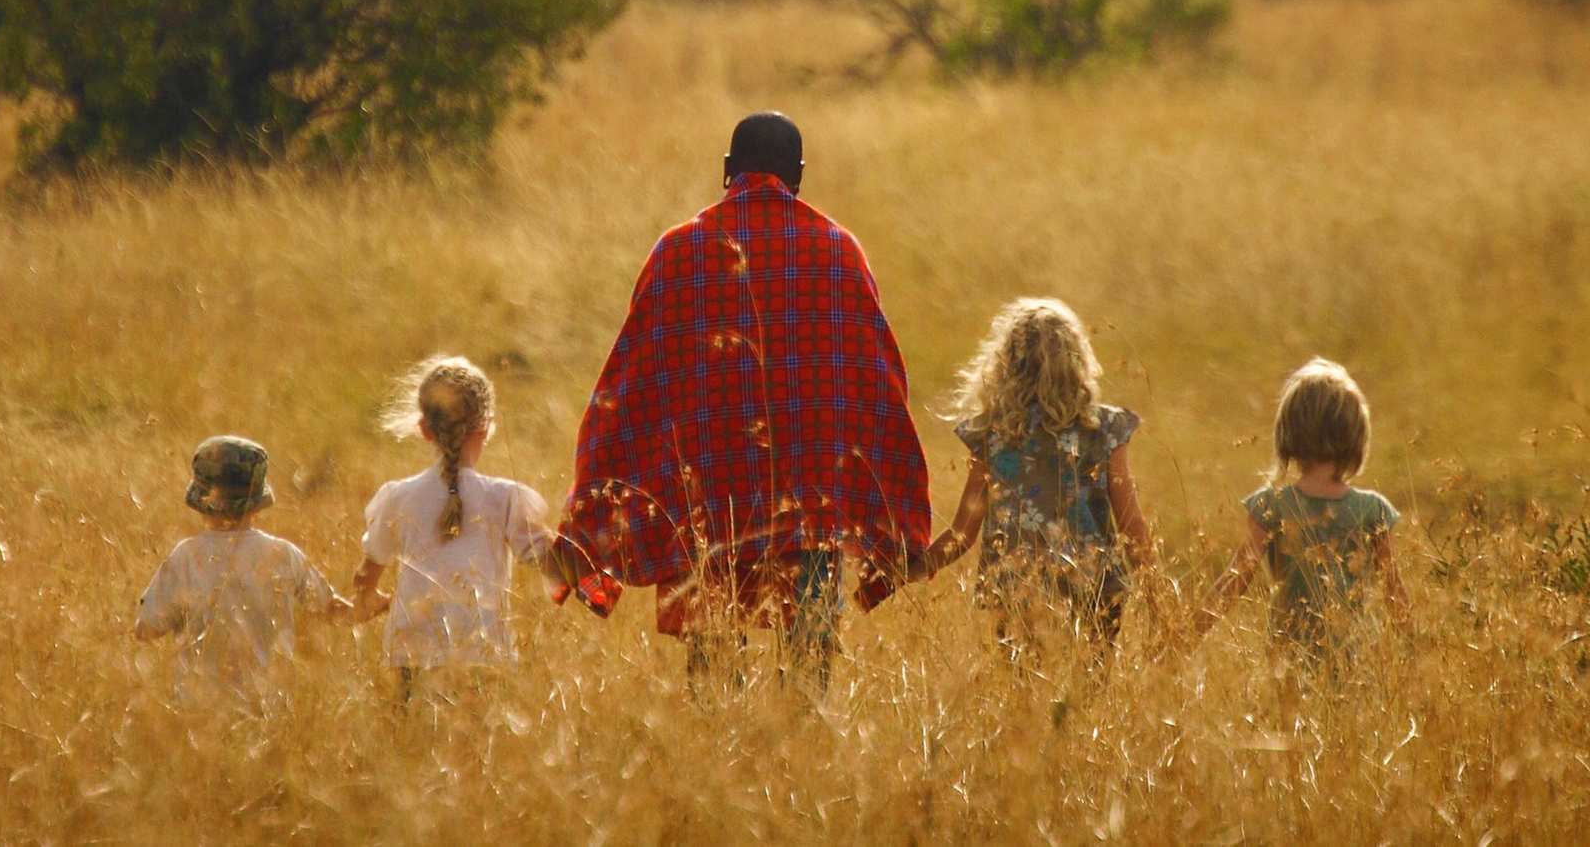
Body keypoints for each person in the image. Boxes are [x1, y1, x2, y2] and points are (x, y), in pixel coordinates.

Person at [548, 111, 932, 694]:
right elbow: (878, 381)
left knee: (712, 669)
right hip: (809, 504)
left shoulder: (678, 251)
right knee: (810, 660)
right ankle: (803, 762)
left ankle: (716, 771)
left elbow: (629, 383)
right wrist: (892, 507)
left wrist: (595, 502)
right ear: (798, 175)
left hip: (707, 503)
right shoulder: (837, 250)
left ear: (728, 171)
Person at [918, 297, 1159, 675]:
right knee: (1088, 696)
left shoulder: (993, 433)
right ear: (1077, 360)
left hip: (1014, 586)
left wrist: (904, 571)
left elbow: (963, 533)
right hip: (1094, 586)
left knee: (1022, 697)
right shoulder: (1107, 429)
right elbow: (1132, 525)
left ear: (1005, 364)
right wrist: (1162, 606)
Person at [1189, 358, 1411, 681]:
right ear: (1356, 435)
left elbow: (1235, 579)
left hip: (1288, 661)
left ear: (1289, 433)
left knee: (1291, 730)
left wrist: (1185, 637)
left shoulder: (1271, 506)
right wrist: (1420, 651)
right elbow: (1395, 593)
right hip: (1359, 660)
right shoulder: (1373, 510)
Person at [351, 356, 555, 705]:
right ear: (487, 427)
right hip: (483, 655)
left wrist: (373, 599)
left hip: (412, 655)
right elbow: (547, 561)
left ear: (424, 428)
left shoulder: (397, 496)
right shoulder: (505, 498)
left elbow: (367, 575)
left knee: (411, 746)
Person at [136, 435, 353, 711]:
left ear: (200, 498)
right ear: (259, 499)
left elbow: (148, 630)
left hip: (198, 710)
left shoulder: (186, 556)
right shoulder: (284, 555)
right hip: (266, 706)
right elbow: (330, 609)